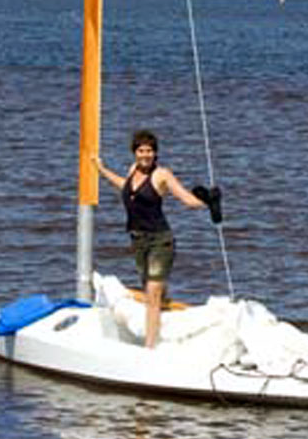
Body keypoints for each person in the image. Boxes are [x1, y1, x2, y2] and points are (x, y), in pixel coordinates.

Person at [94, 129, 221, 349]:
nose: (146, 155)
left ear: (155, 153)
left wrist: (210, 202)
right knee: (153, 292)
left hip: (160, 241)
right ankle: (165, 328)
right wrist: (101, 170)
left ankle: (149, 348)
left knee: (152, 295)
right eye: (141, 150)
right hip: (137, 242)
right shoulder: (132, 170)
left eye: (150, 151)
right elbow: (125, 186)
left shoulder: (162, 174)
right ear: (135, 152)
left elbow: (186, 199)